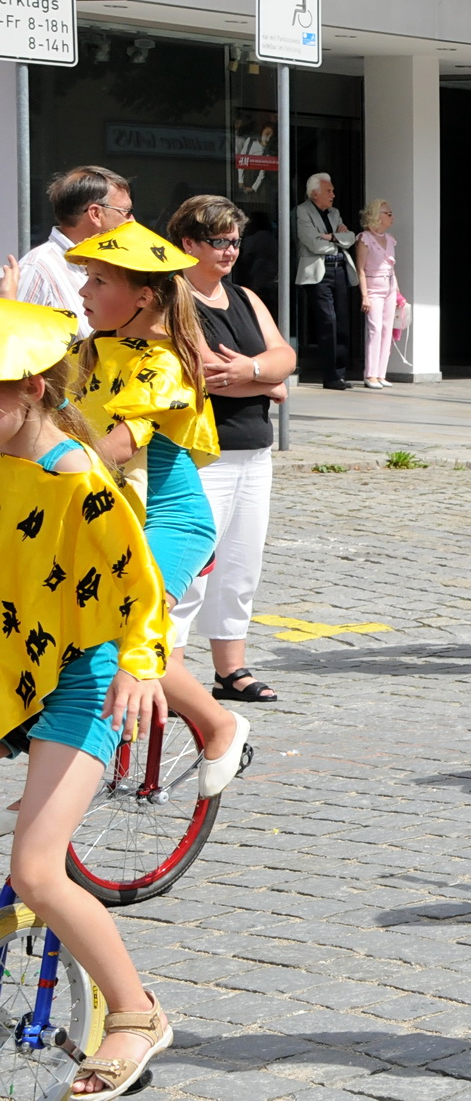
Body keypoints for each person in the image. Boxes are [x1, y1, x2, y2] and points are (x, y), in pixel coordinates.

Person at [0, 301, 177, 1099]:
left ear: (31, 388)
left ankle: (135, 1011)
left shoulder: (80, 479)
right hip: (12, 664)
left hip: (80, 678)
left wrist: (141, 668)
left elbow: (144, 594)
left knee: (37, 869)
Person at [68, 221, 250, 794]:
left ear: (144, 295)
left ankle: (221, 724)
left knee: (132, 630)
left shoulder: (163, 360)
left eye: (98, 281)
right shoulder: (87, 351)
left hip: (169, 520)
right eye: (86, 279)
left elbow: (120, 445)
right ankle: (65, 759)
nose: (83, 292)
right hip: (109, 515)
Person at [166, 196, 297, 706]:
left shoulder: (243, 296)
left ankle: (231, 668)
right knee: (193, 567)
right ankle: (170, 671)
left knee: (241, 565)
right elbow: (203, 373)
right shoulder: (173, 297)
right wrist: (264, 378)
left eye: (235, 240)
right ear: (188, 243)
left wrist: (254, 373)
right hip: (203, 452)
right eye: (218, 241)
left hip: (253, 450)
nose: (230, 250)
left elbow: (284, 357)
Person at [17, 166, 133, 338]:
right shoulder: (37, 268)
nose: (132, 221)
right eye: (126, 212)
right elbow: (10, 347)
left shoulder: (116, 262)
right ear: (95, 214)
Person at [293, 173, 358, 391]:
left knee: (342, 323)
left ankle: (339, 374)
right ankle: (329, 376)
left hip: (340, 270)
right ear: (314, 194)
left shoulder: (335, 213)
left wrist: (330, 237)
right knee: (327, 322)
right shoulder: (302, 211)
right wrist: (337, 239)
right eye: (328, 191)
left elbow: (351, 239)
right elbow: (314, 244)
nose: (333, 195)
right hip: (319, 274)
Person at [357, 199, 399, 389]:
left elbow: (392, 268)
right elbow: (361, 269)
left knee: (387, 330)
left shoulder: (389, 239)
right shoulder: (365, 238)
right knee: (375, 330)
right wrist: (364, 295)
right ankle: (370, 374)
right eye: (388, 214)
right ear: (378, 216)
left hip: (389, 286)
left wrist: (397, 292)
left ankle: (381, 373)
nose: (392, 217)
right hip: (373, 288)